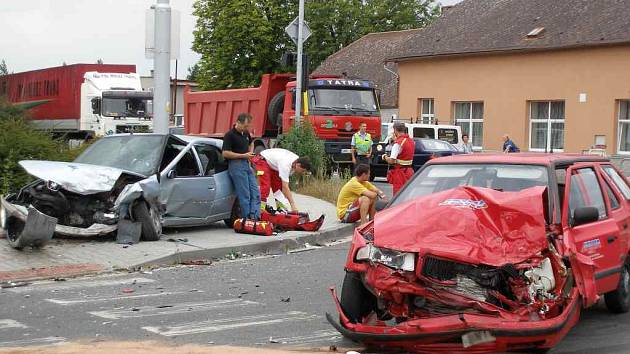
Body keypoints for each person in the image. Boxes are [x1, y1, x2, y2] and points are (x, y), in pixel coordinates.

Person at [222, 113, 260, 220]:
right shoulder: (229, 135)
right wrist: (243, 155)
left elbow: (252, 143)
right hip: (236, 165)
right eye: (245, 126)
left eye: (248, 126)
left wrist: (250, 154)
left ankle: (255, 216)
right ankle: (246, 219)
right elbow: (225, 153)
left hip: (246, 164)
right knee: (245, 195)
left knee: (255, 192)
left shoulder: (246, 133)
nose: (246, 128)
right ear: (238, 122)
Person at [252, 148, 311, 212]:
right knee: (266, 186)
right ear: (298, 165)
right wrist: (292, 204)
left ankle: (281, 208)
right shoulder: (286, 164)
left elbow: (283, 188)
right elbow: (285, 187)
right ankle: (260, 209)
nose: (302, 173)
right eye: (302, 171)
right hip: (263, 160)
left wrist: (285, 203)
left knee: (278, 188)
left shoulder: (295, 163)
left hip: (274, 165)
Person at [382, 122, 416, 195]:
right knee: (407, 194)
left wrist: (384, 157)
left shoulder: (398, 143)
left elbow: (391, 161)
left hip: (400, 173)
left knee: (398, 195)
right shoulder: (411, 141)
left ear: (395, 130)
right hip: (409, 171)